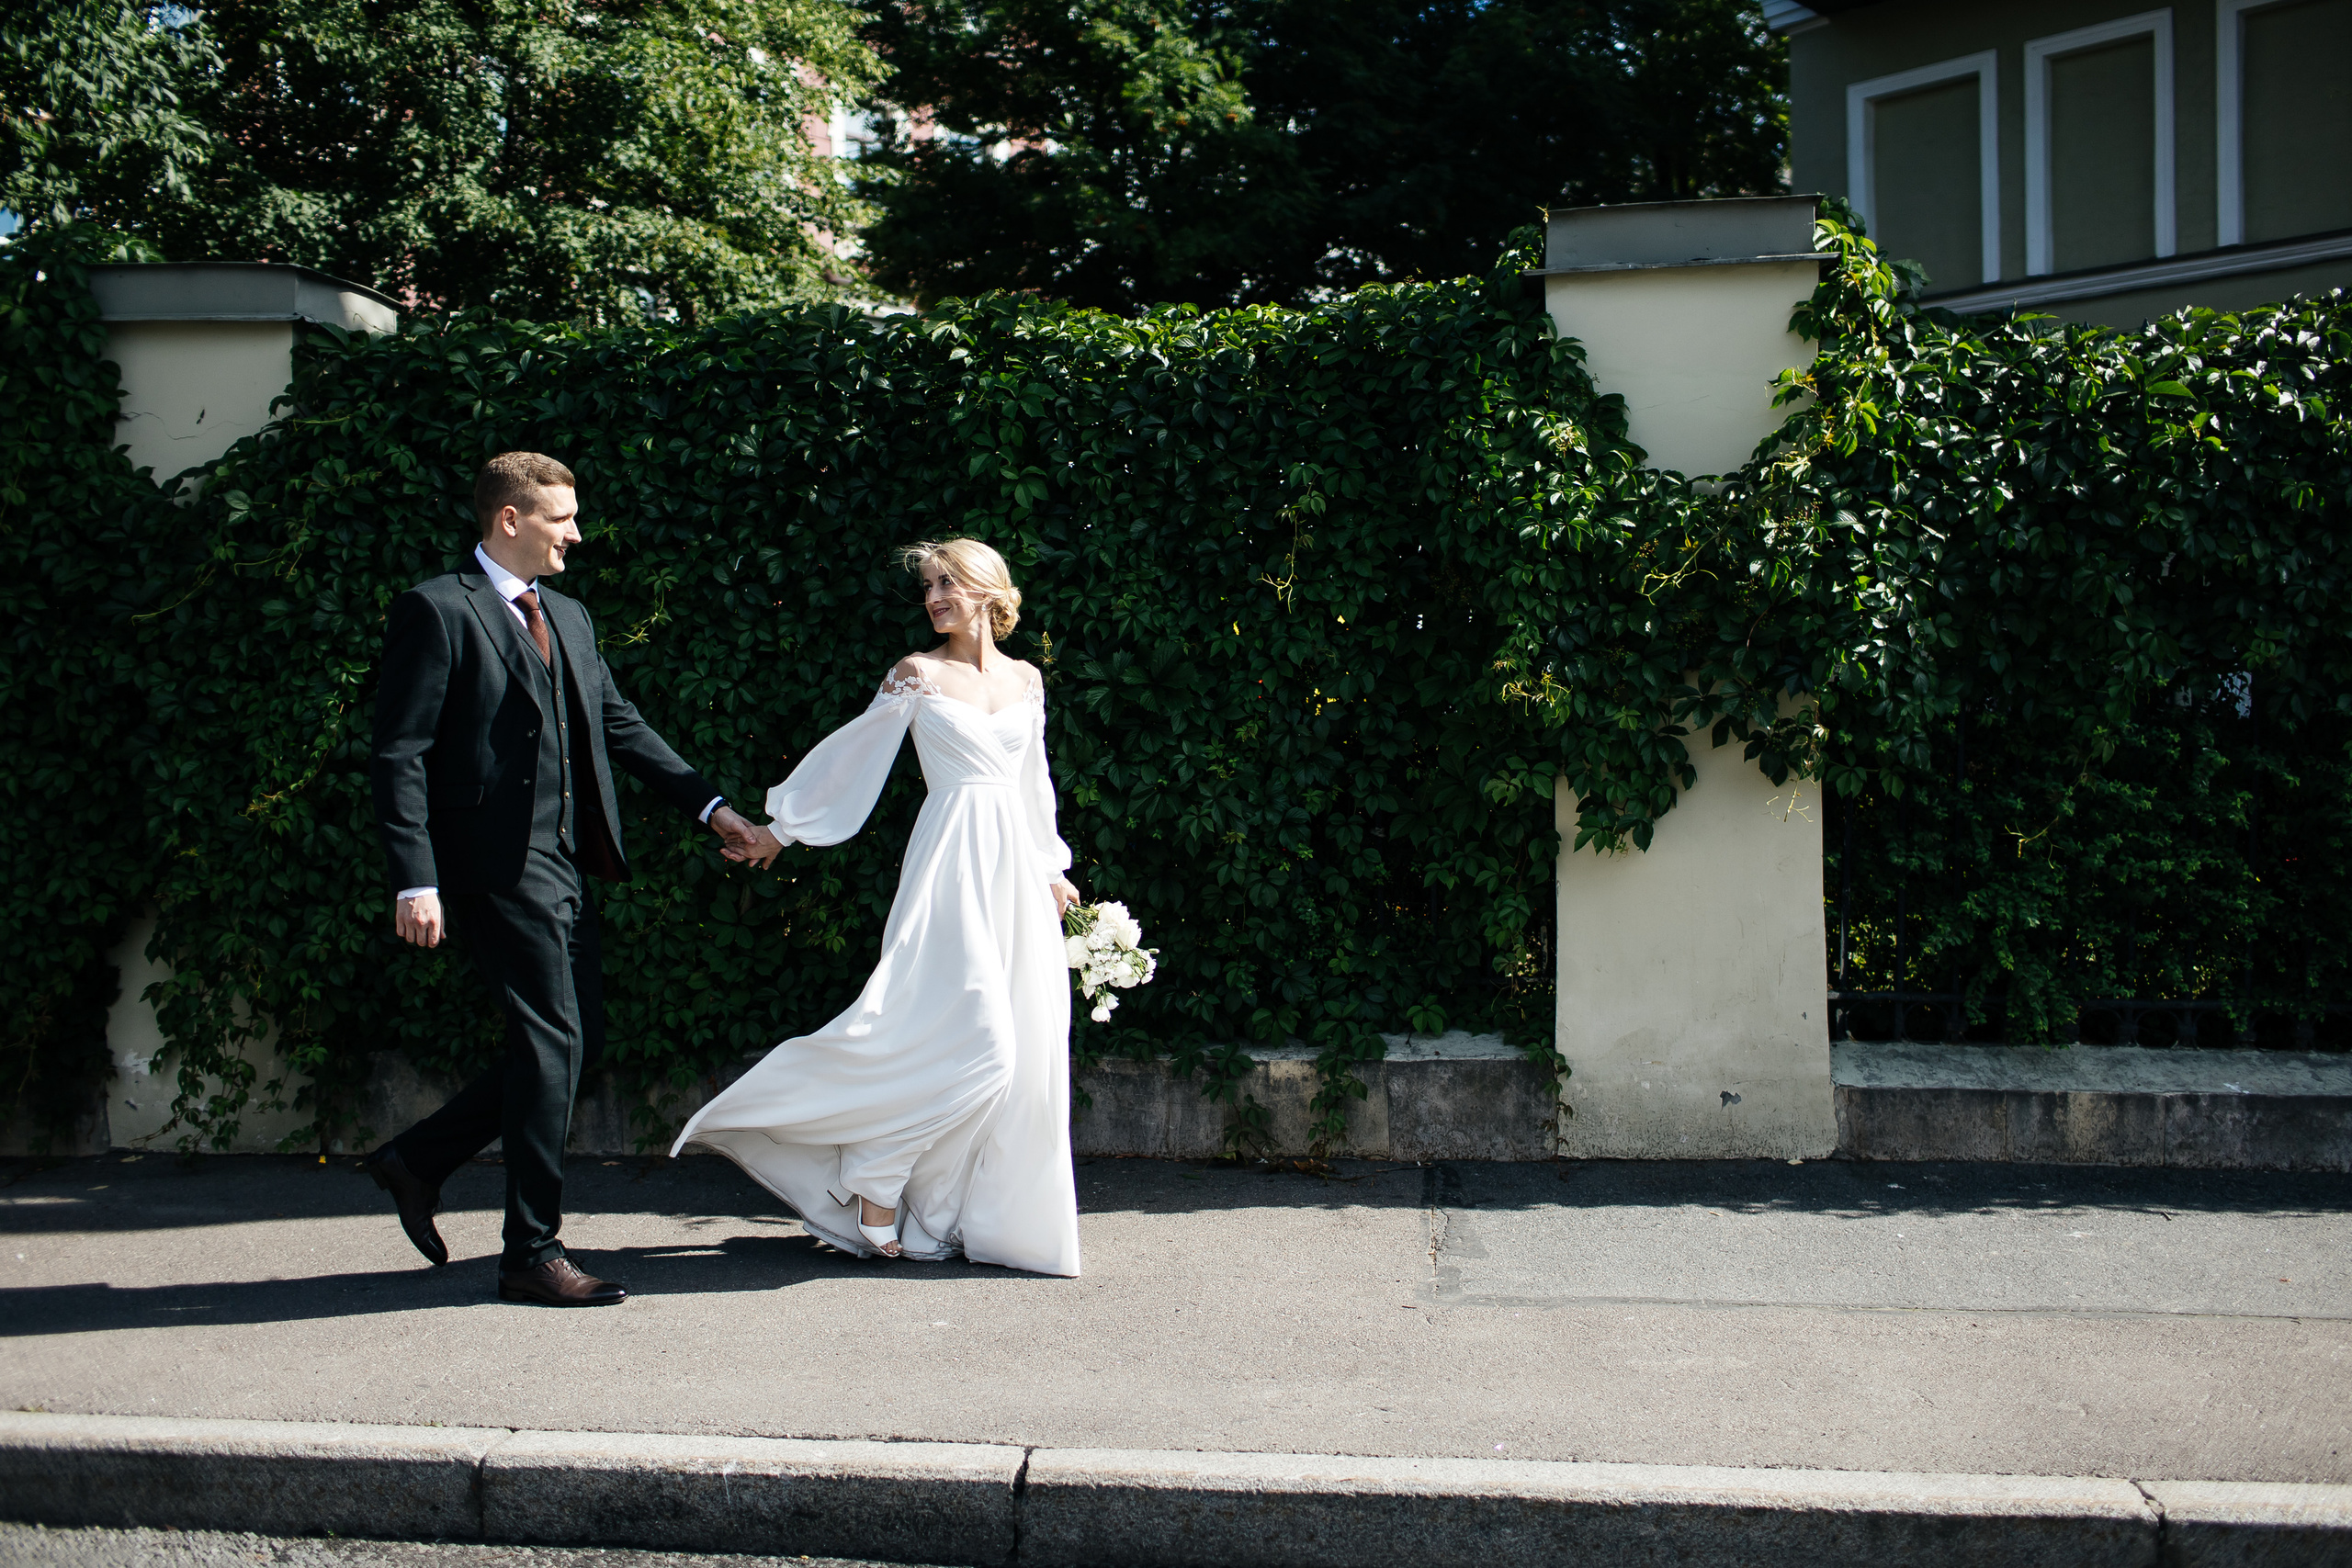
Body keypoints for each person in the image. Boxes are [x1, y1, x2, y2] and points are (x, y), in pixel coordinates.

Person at [362, 451, 774, 1306]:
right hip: (494, 868)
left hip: (569, 862)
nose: (576, 533)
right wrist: (415, 879)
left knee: (567, 1049)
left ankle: (418, 1159)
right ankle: (530, 1252)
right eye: (562, 517)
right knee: (553, 1045)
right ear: (510, 519)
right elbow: (400, 751)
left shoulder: (572, 618)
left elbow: (619, 723)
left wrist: (714, 808)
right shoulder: (439, 609)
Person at [671, 538, 1083, 1277]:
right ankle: (875, 1175)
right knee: (978, 1038)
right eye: (927, 586)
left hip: (1014, 873)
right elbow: (850, 760)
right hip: (951, 865)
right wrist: (782, 831)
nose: (933, 597)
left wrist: (1052, 867)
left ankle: (955, 1205)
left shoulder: (1026, 681)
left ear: (989, 589)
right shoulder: (915, 675)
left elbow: (1033, 783)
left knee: (1022, 1040)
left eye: (947, 581)